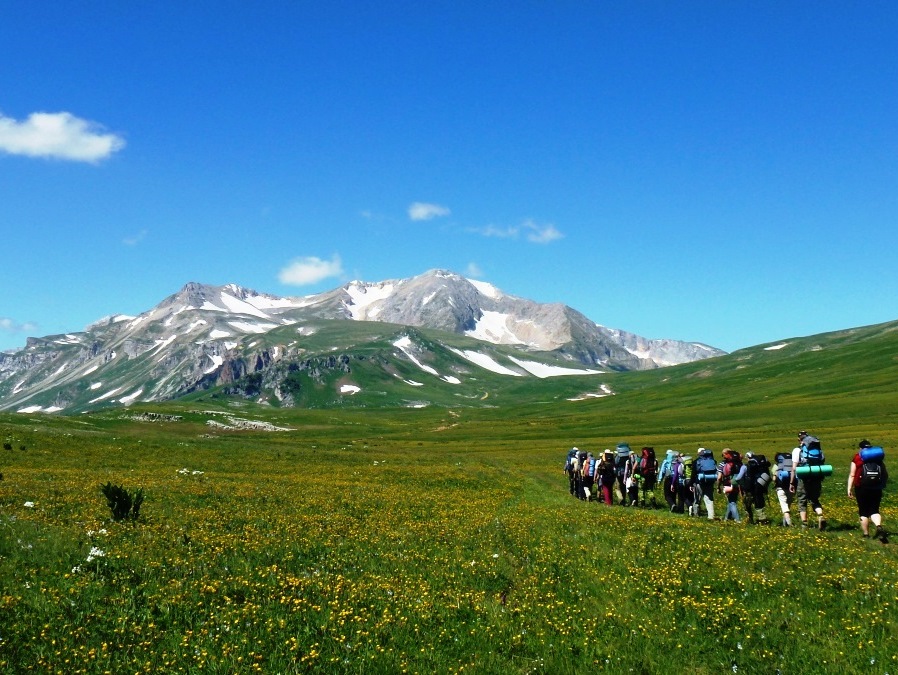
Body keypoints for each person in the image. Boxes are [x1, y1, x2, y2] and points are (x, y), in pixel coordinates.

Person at [847, 440, 889, 543]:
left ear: (860, 448)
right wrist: (881, 484)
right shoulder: (878, 458)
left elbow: (852, 474)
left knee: (863, 511)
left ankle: (866, 534)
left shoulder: (857, 457)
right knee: (874, 510)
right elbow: (885, 474)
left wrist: (849, 488)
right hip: (876, 487)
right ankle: (878, 526)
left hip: (861, 487)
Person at [791, 431, 826, 530]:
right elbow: (823, 460)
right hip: (816, 476)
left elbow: (794, 468)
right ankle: (820, 515)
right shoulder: (817, 449)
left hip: (803, 477)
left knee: (802, 500)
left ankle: (804, 524)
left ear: (799, 439)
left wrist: (791, 482)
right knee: (814, 499)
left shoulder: (797, 450)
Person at [741, 452, 772, 525]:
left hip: (756, 484)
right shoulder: (762, 461)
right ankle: (762, 518)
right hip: (764, 481)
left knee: (752, 501)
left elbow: (749, 477)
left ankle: (759, 519)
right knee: (760, 498)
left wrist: (746, 487)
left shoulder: (751, 463)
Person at [692, 448, 718, 519]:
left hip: (699, 482)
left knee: (697, 498)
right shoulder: (713, 461)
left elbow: (693, 473)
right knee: (709, 499)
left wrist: (691, 483)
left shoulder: (696, 461)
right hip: (710, 482)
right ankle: (711, 516)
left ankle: (696, 513)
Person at [718, 449, 742, 522]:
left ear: (725, 454)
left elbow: (719, 477)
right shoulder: (739, 462)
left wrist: (718, 486)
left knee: (732, 502)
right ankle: (726, 518)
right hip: (738, 483)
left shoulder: (722, 464)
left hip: (728, 483)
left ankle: (737, 520)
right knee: (732, 500)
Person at [773, 451, 794, 526]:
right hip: (791, 487)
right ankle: (785, 524)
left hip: (780, 488)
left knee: (784, 507)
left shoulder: (777, 466)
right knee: (788, 505)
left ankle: (789, 523)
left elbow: (774, 478)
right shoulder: (791, 464)